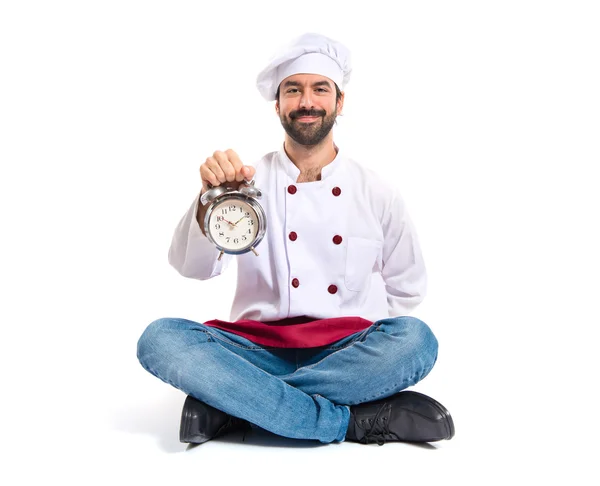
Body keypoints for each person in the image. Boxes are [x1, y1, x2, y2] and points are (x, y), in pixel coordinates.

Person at [137, 32, 455, 446]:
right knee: (159, 339)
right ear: (278, 105)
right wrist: (208, 197)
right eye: (294, 90)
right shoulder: (243, 183)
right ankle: (350, 422)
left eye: (320, 89)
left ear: (339, 102)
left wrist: (363, 341)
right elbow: (190, 267)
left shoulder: (377, 191)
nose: (307, 101)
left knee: (416, 341)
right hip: (256, 349)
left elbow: (408, 290)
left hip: (347, 351)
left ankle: (234, 401)